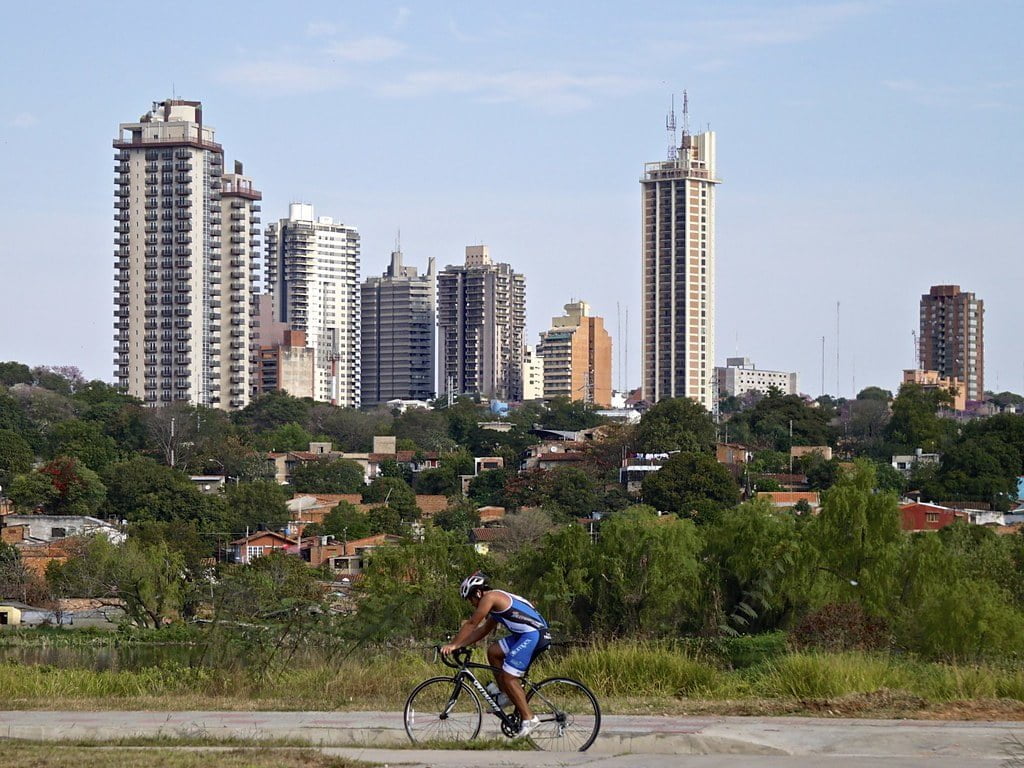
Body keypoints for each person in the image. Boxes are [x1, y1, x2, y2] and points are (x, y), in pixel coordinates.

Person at [441, 571, 550, 739]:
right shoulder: (496, 605)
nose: (471, 604)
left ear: (477, 593)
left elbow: (472, 623)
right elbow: (484, 629)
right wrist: (461, 644)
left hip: (533, 634)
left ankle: (529, 718)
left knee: (509, 677)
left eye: (470, 599)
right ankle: (505, 695)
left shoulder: (490, 597)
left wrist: (453, 644)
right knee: (493, 652)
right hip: (524, 634)